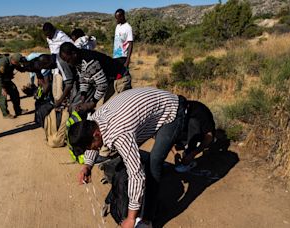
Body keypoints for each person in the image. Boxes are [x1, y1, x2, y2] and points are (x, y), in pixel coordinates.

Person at [67, 87, 187, 228]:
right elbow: (93, 146)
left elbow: (136, 175)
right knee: (129, 159)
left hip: (172, 110)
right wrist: (87, 166)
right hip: (150, 109)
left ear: (96, 135)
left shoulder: (119, 134)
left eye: (90, 147)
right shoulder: (93, 120)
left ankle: (147, 219)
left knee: (154, 164)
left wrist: (131, 218)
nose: (93, 150)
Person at [59, 42, 131, 112]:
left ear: (74, 54)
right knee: (100, 111)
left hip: (120, 80)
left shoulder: (90, 62)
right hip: (110, 81)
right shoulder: (78, 61)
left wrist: (91, 103)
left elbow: (102, 85)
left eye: (68, 60)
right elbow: (84, 79)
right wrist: (83, 97)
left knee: (114, 111)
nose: (68, 63)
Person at [173, 100, 216, 172]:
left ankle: (189, 158)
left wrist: (192, 154)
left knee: (193, 122)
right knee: (172, 129)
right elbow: (167, 134)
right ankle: (185, 145)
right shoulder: (174, 112)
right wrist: (175, 153)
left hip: (201, 134)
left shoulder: (200, 112)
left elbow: (209, 136)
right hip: (186, 132)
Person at [42, 22, 76, 108]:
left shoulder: (61, 36)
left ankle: (61, 104)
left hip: (63, 64)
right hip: (54, 65)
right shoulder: (48, 38)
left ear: (52, 30)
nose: (48, 37)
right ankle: (58, 103)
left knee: (60, 87)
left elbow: (72, 46)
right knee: (55, 88)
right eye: (46, 35)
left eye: (49, 34)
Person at [0, 53, 28, 119]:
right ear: (14, 61)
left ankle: (18, 110)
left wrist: (29, 67)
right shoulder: (3, 62)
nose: (18, 64)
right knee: (2, 95)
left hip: (6, 78)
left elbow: (20, 69)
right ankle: (5, 114)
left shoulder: (14, 62)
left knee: (15, 92)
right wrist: (2, 88)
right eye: (18, 63)